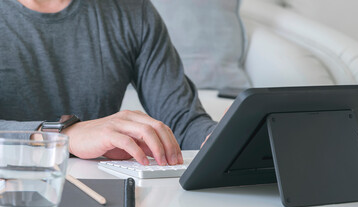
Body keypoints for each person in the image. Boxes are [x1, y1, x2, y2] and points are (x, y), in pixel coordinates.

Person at [0, 0, 217, 166]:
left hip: (103, 190)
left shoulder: (132, 10)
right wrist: (64, 135)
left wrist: (222, 137)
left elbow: (182, 122)